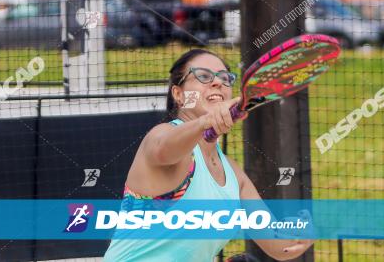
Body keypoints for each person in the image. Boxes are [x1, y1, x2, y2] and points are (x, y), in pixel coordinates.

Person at [104, 49, 314, 261]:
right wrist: (205, 122)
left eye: (225, 78)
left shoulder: (233, 174)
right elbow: (162, 150)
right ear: (178, 94)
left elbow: (278, 246)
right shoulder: (162, 135)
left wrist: (298, 236)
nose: (218, 83)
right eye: (203, 76)